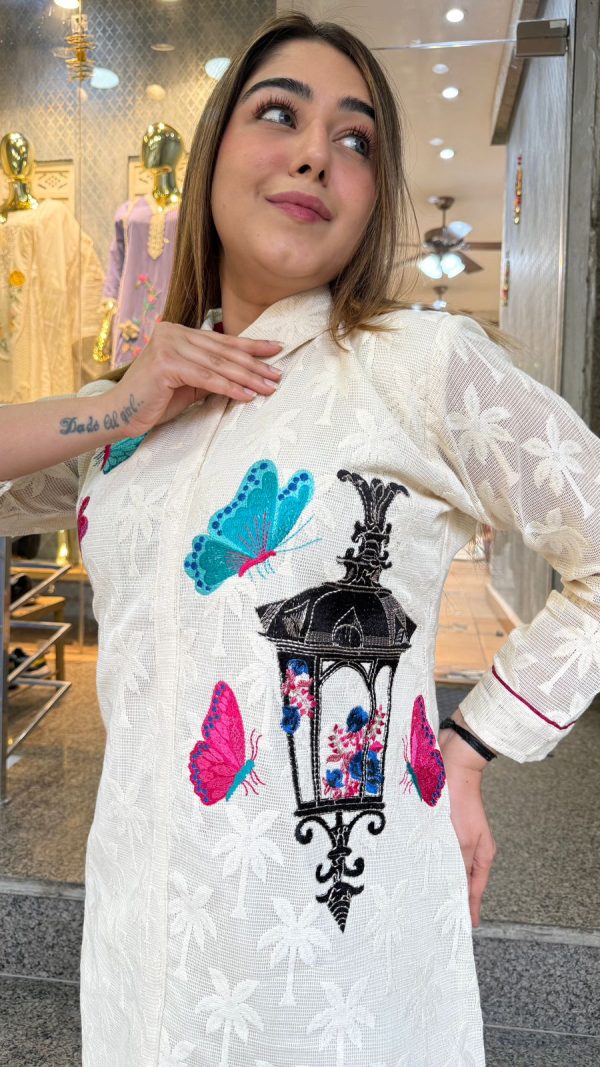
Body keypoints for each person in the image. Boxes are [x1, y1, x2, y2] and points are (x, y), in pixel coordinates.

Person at [0, 13, 598, 1067]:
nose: (316, 152)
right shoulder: (133, 415)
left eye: (355, 138)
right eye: (279, 113)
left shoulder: (416, 366)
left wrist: (475, 743)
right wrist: (122, 402)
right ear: (215, 152)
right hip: (143, 948)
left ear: (372, 199)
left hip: (340, 971)